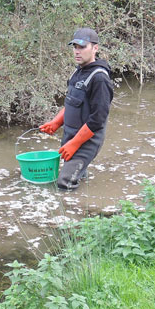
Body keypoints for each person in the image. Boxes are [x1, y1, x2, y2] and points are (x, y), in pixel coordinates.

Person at [39, 27, 114, 190]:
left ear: (95, 48)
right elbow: (71, 103)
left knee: (64, 182)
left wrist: (74, 144)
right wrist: (56, 123)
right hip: (71, 134)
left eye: (82, 47)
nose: (77, 51)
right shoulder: (77, 73)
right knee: (78, 174)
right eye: (75, 47)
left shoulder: (100, 78)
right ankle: (84, 196)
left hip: (87, 139)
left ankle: (75, 213)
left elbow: (97, 120)